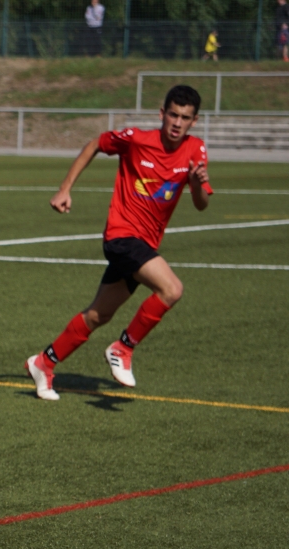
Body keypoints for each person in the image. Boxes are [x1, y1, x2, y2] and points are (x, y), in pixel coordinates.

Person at [24, 85, 213, 401]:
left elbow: (202, 204)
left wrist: (196, 184)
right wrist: (65, 188)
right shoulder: (136, 139)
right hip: (122, 236)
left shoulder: (196, 149)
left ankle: (44, 363)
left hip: (145, 245)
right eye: (173, 115)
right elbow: (95, 144)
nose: (177, 123)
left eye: (185, 118)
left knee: (98, 315)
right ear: (162, 114)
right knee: (171, 289)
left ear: (194, 121)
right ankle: (123, 348)